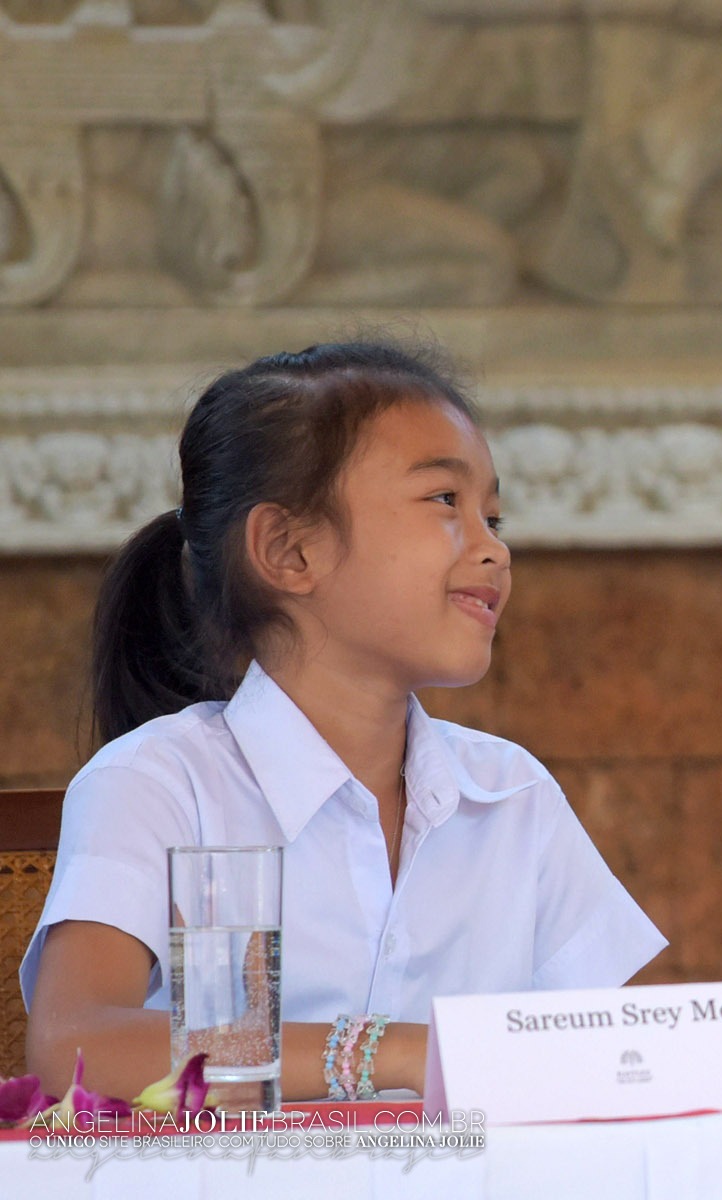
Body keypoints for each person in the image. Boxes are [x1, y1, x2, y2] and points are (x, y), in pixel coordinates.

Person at [21, 342, 666, 1099]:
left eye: (495, 516)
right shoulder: (159, 783)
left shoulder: (511, 793)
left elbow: (615, 1065)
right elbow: (76, 1046)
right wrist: (392, 1054)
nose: (495, 551)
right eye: (445, 502)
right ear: (290, 551)